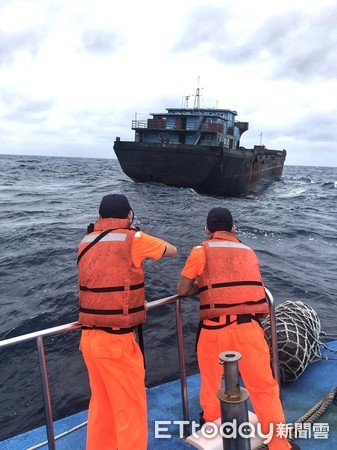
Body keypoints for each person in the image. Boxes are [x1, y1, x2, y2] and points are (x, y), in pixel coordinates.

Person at [177, 207, 296, 450]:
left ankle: (211, 423)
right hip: (249, 328)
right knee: (264, 387)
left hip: (214, 330)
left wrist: (205, 288)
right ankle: (279, 444)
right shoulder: (248, 251)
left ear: (207, 230)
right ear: (233, 228)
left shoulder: (200, 251)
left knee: (211, 381)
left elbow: (182, 289)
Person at [77, 194, 177, 450]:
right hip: (117, 344)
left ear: (99, 217)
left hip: (88, 340)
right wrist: (136, 232)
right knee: (131, 412)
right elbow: (171, 251)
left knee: (101, 407)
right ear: (129, 216)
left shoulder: (84, 242)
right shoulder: (134, 239)